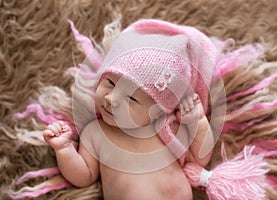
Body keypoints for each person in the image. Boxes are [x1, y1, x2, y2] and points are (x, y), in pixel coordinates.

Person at [43, 19, 216, 199]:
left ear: (156, 111)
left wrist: (198, 122)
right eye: (110, 83)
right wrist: (64, 149)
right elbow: (84, 176)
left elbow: (199, 158)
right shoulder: (96, 132)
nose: (111, 99)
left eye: (131, 98)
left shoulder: (164, 127)